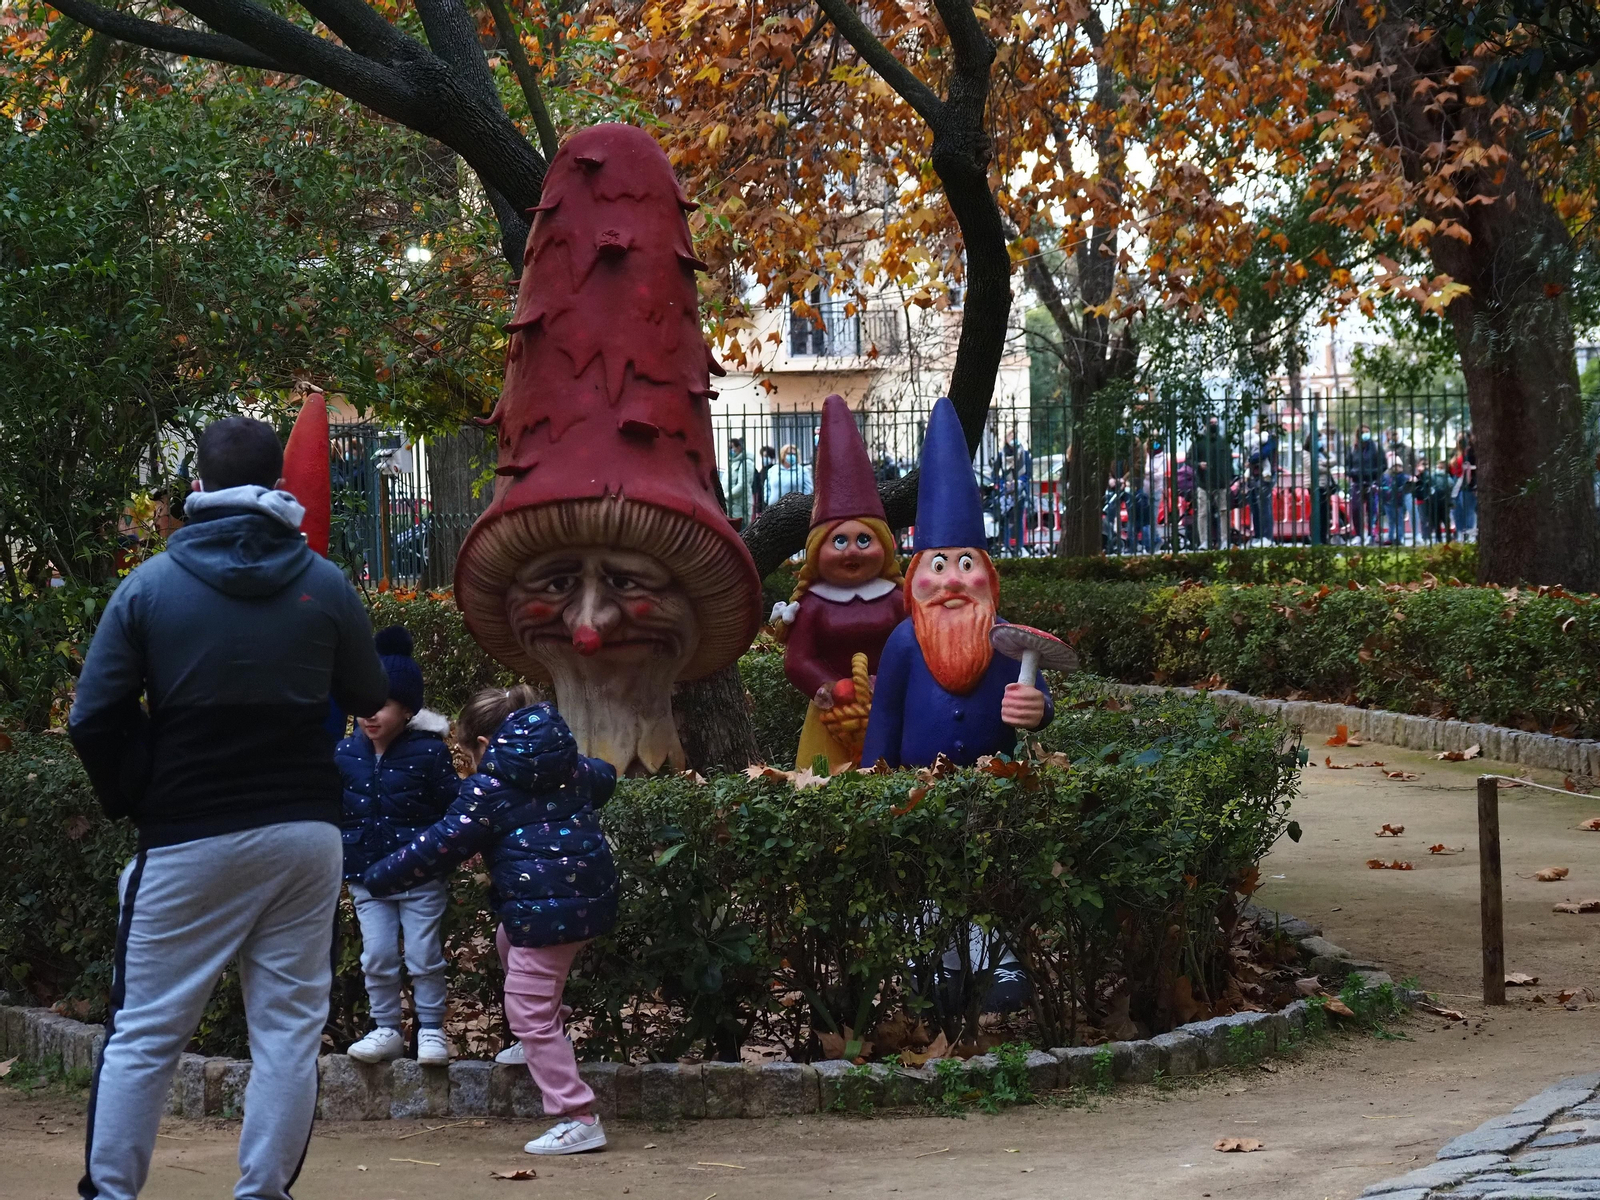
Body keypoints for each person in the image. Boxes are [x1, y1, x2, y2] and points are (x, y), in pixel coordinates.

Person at [68, 415, 390, 1200]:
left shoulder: (149, 586)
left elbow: (92, 716)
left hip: (186, 833)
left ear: (199, 488)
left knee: (144, 1033)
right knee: (286, 1034)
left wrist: (135, 794)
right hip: (305, 835)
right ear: (278, 484)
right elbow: (371, 697)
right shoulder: (325, 583)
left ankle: (111, 1192)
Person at [363, 686, 617, 1157]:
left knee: (527, 1009)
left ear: (484, 744)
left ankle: (576, 1116)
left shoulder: (489, 788)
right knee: (508, 939)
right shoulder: (571, 768)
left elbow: (441, 844)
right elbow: (607, 778)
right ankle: (542, 1037)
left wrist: (377, 877)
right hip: (588, 899)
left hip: (545, 911)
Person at [861, 397, 1054, 769]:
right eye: (938, 565)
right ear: (915, 577)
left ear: (988, 575)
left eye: (966, 564)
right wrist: (871, 783)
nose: (952, 580)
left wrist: (1038, 709)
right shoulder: (904, 642)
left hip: (996, 785)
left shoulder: (1007, 640)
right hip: (917, 788)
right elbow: (884, 719)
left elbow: (1039, 700)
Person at [336, 625, 460, 1067]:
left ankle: (430, 1030)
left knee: (426, 955)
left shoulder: (428, 753)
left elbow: (455, 810)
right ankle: (385, 1027)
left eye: (382, 705)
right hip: (368, 877)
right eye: (362, 706)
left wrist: (445, 854)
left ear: (407, 709)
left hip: (420, 874)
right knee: (378, 956)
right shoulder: (344, 755)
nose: (370, 716)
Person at [771, 396, 906, 771]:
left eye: (864, 540)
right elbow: (798, 659)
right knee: (824, 777)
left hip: (889, 705)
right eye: (839, 541)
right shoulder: (812, 603)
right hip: (831, 714)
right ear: (817, 550)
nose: (853, 551)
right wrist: (829, 686)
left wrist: (891, 681)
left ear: (883, 544)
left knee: (895, 777)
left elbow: (914, 644)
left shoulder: (896, 598)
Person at [1187, 416, 1233, 550]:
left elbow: (1229, 461)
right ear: (1206, 425)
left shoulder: (1223, 441)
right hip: (1203, 483)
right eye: (1211, 423)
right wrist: (1198, 465)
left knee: (1224, 512)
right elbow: (1189, 459)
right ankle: (1204, 542)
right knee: (1202, 513)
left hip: (1221, 483)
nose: (1214, 425)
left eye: (1216, 423)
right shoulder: (1199, 441)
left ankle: (1224, 541)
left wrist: (1228, 478)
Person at [1345, 425, 1385, 544]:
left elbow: (1383, 465)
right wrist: (1353, 472)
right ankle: (1358, 534)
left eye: (1368, 432)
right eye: (1363, 432)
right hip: (1357, 483)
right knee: (1356, 509)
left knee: (1372, 509)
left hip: (1372, 482)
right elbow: (1347, 465)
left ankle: (1371, 534)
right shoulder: (1353, 448)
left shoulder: (1376, 447)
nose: (1366, 434)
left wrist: (1372, 472)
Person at [763, 442, 813, 507]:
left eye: (794, 454)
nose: (792, 456)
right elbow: (767, 486)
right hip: (774, 507)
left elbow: (808, 489)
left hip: (795, 509)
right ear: (783, 455)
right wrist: (768, 499)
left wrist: (803, 503)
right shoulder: (773, 470)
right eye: (789, 453)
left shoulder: (802, 470)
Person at [1450, 431, 1477, 541]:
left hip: (1468, 487)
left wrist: (1475, 485)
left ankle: (1469, 537)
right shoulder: (1457, 453)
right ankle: (1461, 536)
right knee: (1458, 513)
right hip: (1457, 487)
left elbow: (1474, 470)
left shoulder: (1472, 453)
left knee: (1468, 513)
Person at [722, 437, 753, 530]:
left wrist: (725, 497)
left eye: (732, 447)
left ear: (739, 447)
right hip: (729, 507)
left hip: (739, 508)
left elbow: (741, 486)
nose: (730, 450)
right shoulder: (732, 462)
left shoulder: (746, 463)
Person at [751, 445, 777, 517]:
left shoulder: (775, 470)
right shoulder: (761, 471)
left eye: (766, 456)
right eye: (762, 456)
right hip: (762, 503)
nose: (764, 458)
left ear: (772, 457)